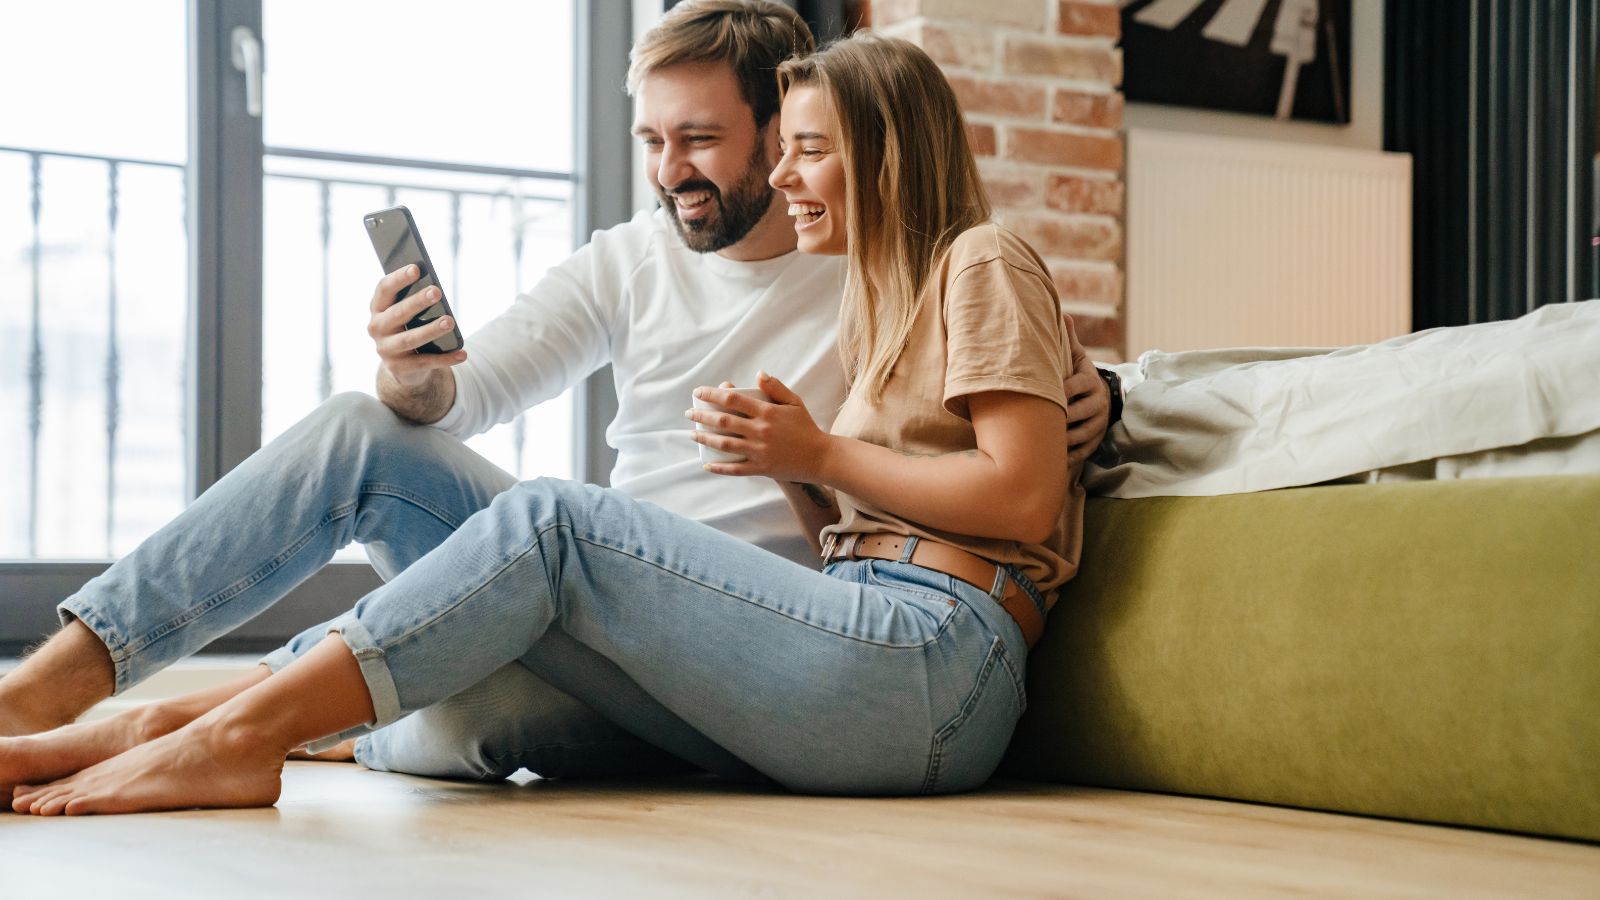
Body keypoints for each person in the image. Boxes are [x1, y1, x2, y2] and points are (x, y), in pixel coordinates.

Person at [0, 2, 1110, 802]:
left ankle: (222, 732)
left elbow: (1019, 468)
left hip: (827, 646)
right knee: (378, 464)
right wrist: (413, 374)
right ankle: (65, 702)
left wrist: (1104, 395)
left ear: (796, 133)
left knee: (514, 621)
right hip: (719, 629)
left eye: (710, 141)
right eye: (650, 142)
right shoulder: (674, 265)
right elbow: (459, 398)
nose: (676, 168)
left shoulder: (931, 265)